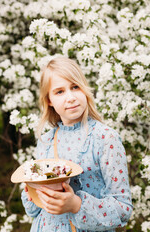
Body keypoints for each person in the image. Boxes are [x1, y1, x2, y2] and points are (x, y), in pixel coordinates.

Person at [21, 57, 133, 232]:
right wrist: (32, 191)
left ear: (84, 88)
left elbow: (123, 208)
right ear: (49, 100)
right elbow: (33, 210)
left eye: (75, 87)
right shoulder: (46, 141)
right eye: (59, 92)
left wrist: (76, 205)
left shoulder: (104, 139)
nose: (71, 97)